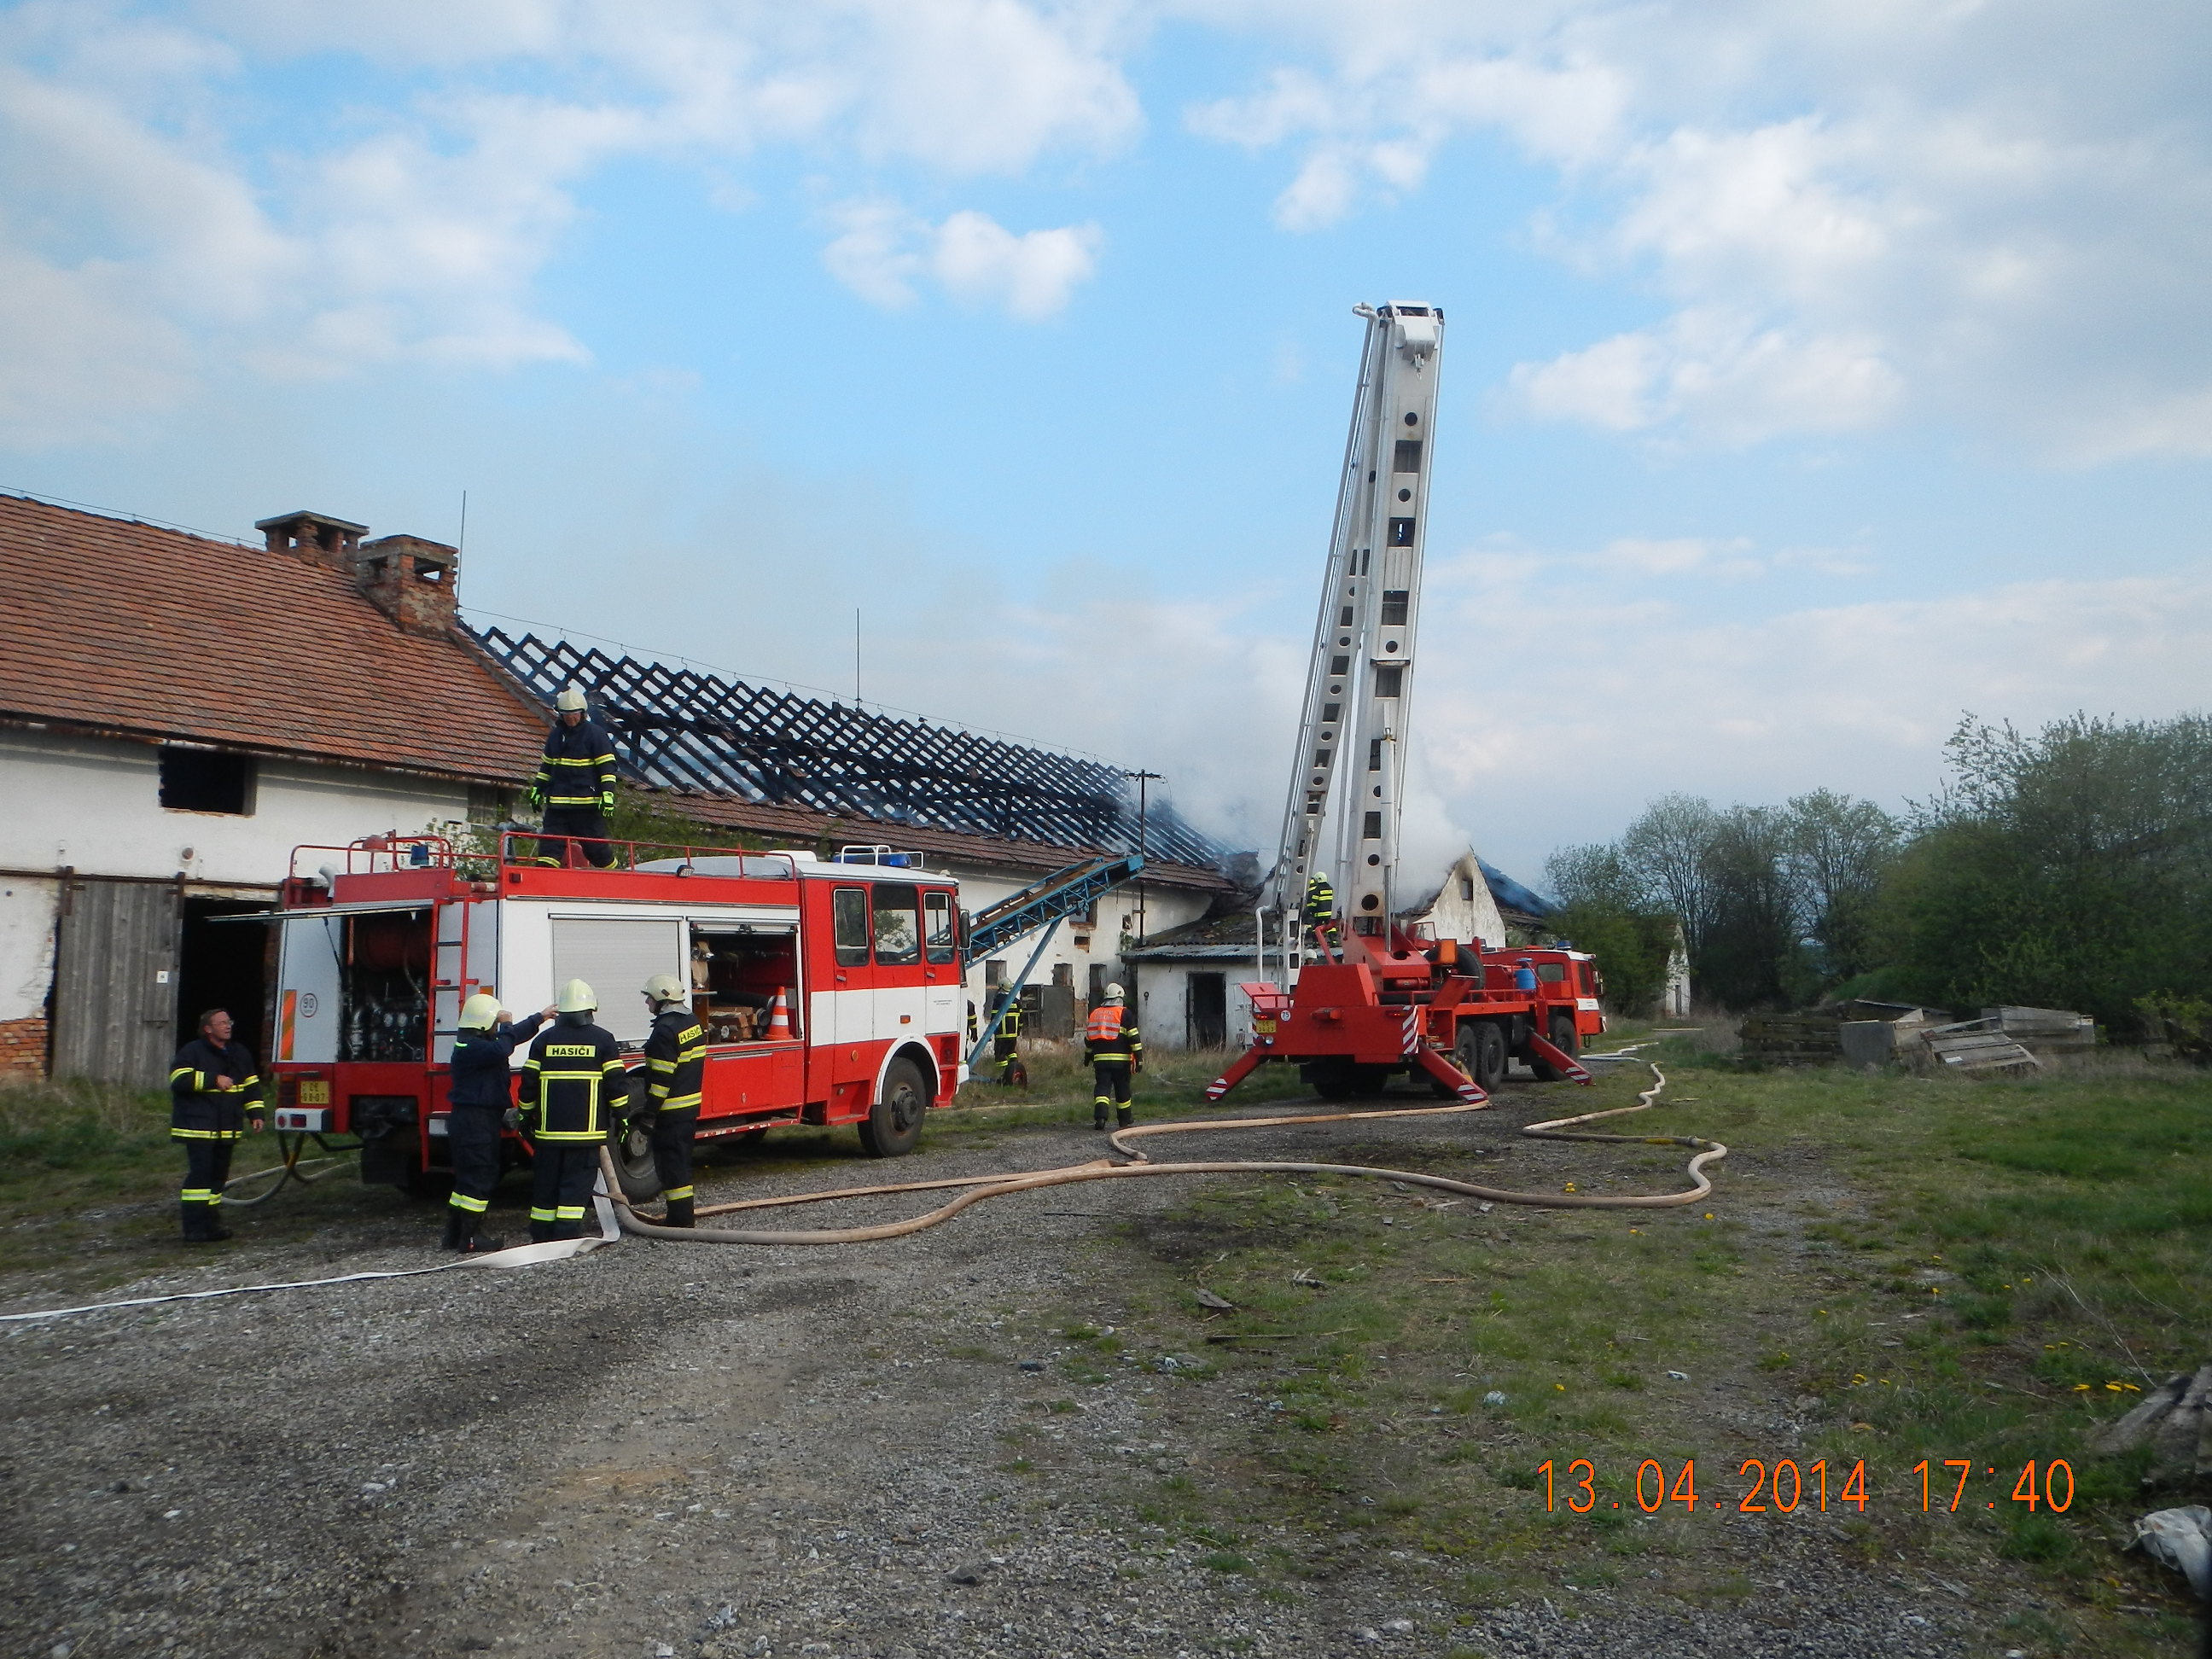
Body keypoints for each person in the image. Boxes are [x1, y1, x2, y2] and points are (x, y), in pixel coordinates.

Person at [443, 992, 556, 1252]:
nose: (499, 1026)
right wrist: (506, 1023)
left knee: (466, 1181)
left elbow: (511, 1038)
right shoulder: (474, 1048)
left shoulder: (473, 1042)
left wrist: (540, 1017)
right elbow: (504, 1046)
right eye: (494, 1022)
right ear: (485, 1024)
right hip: (476, 1121)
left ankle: (455, 1235)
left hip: (472, 1119)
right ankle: (471, 1238)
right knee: (481, 1176)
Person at [516, 979, 626, 1242]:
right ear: (590, 1010)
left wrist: (524, 1117)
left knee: (546, 1186)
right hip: (585, 1136)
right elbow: (616, 1085)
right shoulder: (603, 1040)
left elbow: (528, 1085)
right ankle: (566, 1238)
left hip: (548, 1135)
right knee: (575, 1187)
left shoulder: (544, 1040)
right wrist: (622, 1117)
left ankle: (541, 1236)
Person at [167, 1009, 266, 1243]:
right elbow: (178, 1080)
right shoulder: (192, 1051)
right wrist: (213, 1079)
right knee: (199, 1179)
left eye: (229, 1021)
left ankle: (211, 1226)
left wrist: (256, 1113)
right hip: (198, 1128)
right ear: (208, 1029)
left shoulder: (239, 1053)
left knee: (217, 1179)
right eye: (221, 1023)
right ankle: (193, 1229)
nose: (228, 1026)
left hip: (227, 1127)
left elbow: (251, 1086)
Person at [631, 973, 707, 1227]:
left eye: (648, 999)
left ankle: (680, 1221)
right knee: (681, 1163)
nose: (646, 1004)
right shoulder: (692, 1022)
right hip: (688, 1109)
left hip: (670, 1113)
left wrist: (649, 1115)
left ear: (661, 1000)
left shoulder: (664, 1032)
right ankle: (682, 1217)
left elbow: (661, 1081)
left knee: (672, 1167)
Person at [527, 684, 619, 869]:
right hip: (558, 805)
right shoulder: (555, 736)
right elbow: (547, 768)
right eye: (566, 714)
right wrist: (537, 789)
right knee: (549, 850)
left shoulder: (595, 735)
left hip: (586, 805)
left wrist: (608, 795)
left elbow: (607, 769)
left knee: (596, 850)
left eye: (574, 713)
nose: (570, 717)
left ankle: (618, 878)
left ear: (583, 712)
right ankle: (541, 884)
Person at [1084, 982, 1143, 1131]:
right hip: (1121, 1062)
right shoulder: (1124, 1013)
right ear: (1119, 996)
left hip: (1100, 1061)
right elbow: (1134, 1037)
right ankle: (1124, 1120)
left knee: (1102, 1089)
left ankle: (1101, 1117)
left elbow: (1090, 1038)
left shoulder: (1095, 1013)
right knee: (1122, 1089)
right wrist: (1139, 1057)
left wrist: (1087, 1055)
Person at [992, 992, 1026, 1086]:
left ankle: (1003, 1075)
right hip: (1013, 1036)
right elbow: (1021, 1020)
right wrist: (1018, 1032)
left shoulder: (998, 1001)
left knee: (1000, 1056)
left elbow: (994, 1018)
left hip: (1001, 1035)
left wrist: (994, 1032)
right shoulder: (1016, 1001)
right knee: (1011, 1053)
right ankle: (1015, 1069)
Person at [1304, 872, 1337, 948]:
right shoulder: (1330, 888)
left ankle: (1315, 942)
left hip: (1319, 913)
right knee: (1331, 927)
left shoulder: (1317, 889)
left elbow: (1314, 902)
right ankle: (1334, 941)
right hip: (1329, 913)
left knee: (1316, 928)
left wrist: (1310, 910)